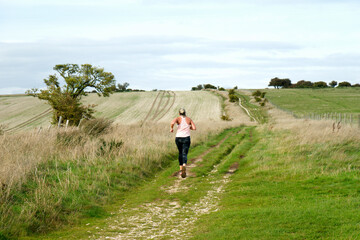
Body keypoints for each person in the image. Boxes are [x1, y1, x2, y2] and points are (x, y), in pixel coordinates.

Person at [170, 108, 196, 178]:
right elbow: (194, 128)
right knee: (185, 153)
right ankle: (184, 164)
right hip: (186, 138)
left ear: (179, 113)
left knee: (180, 153)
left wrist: (171, 128)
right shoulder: (189, 119)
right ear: (185, 113)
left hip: (178, 138)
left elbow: (172, 123)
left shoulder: (177, 118)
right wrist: (189, 128)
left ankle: (181, 170)